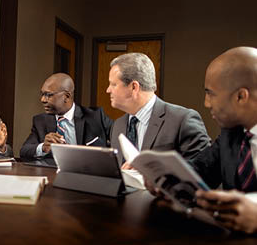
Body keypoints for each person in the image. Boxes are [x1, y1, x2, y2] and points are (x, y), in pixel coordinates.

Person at [159, 46, 257, 234]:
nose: (206, 103)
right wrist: (165, 178)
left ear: (241, 96)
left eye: (211, 93)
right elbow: (200, 170)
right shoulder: (231, 133)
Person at [107, 52, 210, 164]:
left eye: (113, 84)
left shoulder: (182, 120)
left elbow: (202, 169)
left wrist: (151, 171)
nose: (108, 90)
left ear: (134, 87)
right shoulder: (117, 125)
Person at [20, 73, 112, 159]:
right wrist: (43, 147)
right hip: (53, 170)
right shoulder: (41, 121)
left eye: (48, 95)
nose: (43, 100)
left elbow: (118, 139)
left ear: (66, 96)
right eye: (42, 94)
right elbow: (24, 151)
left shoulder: (95, 116)